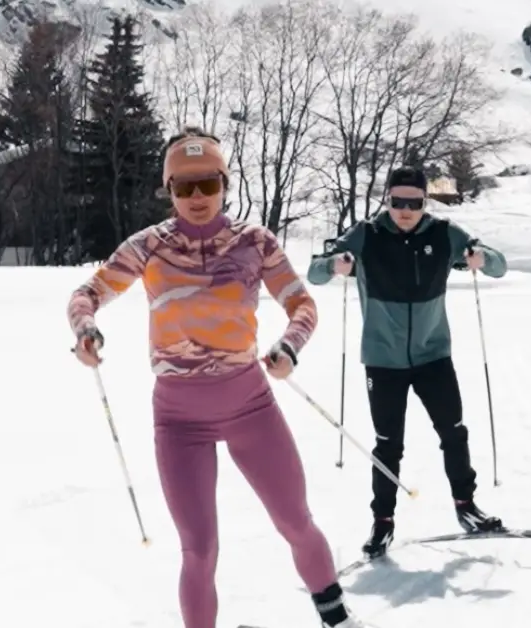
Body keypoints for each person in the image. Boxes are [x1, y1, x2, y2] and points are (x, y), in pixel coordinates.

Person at [68, 127, 369, 628]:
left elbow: (301, 303)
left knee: (295, 522)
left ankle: (337, 619)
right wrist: (85, 331)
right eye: (183, 188)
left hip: (251, 407)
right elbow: (88, 293)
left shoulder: (254, 242)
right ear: (168, 190)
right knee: (200, 549)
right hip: (179, 421)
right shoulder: (149, 246)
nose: (197, 198)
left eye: (207, 184)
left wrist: (289, 347)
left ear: (225, 182)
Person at [306, 166, 508, 559]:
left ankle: (466, 507)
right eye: (397, 202)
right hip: (383, 360)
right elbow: (315, 272)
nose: (404, 210)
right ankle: (382, 523)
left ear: (424, 201)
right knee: (388, 446)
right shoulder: (366, 233)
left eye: (413, 203)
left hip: (434, 355)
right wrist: (335, 265)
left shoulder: (443, 232)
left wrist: (482, 257)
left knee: (454, 432)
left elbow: (499, 265)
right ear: (387, 198)